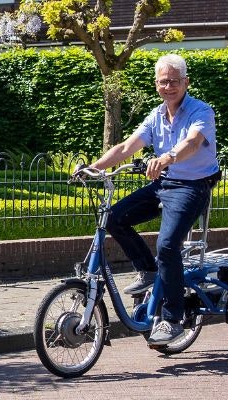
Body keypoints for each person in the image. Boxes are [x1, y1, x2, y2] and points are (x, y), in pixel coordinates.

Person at [87, 54, 220, 345]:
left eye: (174, 81)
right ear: (156, 84)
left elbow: (193, 142)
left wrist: (167, 157)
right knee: (114, 219)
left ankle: (172, 318)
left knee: (168, 245)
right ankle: (148, 271)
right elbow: (126, 146)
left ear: (186, 82)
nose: (168, 86)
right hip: (164, 183)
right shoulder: (156, 115)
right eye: (163, 81)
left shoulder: (201, 111)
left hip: (192, 186)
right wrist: (94, 168)